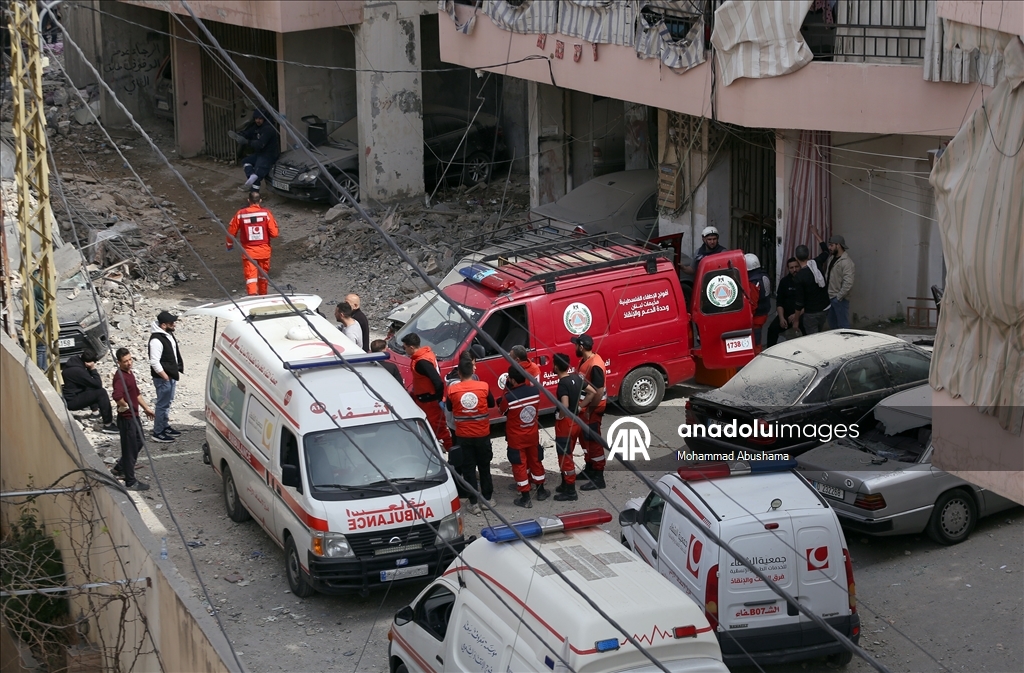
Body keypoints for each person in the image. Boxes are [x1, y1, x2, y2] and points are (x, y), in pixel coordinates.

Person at [446, 359, 496, 515]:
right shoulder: (484, 386)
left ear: (459, 373)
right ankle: (487, 499)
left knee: (468, 469)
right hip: (482, 434)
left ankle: (473, 502)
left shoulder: (453, 391)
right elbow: (492, 404)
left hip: (463, 435)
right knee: (484, 466)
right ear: (473, 371)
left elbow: (449, 407)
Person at [500, 365, 548, 508]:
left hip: (516, 438)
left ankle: (525, 498)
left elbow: (501, 411)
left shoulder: (508, 398)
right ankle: (541, 491)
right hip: (532, 435)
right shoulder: (535, 391)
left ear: (512, 380)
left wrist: (506, 391)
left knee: (520, 466)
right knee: (536, 461)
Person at [111, 347, 155, 491]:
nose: (129, 363)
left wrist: (146, 408)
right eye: (125, 361)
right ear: (119, 362)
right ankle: (130, 480)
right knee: (130, 449)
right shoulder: (120, 377)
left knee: (139, 441)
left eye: (130, 360)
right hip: (127, 419)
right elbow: (117, 396)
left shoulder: (129, 374)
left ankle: (120, 467)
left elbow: (136, 394)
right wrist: (125, 406)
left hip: (134, 417)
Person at [401, 333, 453, 452]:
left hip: (429, 401)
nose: (404, 350)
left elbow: (437, 381)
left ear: (411, 347)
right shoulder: (426, 355)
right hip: (424, 399)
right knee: (427, 427)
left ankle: (453, 455)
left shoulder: (421, 362)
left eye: (405, 347)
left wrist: (438, 399)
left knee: (439, 429)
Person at [572, 334, 608, 491]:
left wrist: (590, 410)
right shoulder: (586, 360)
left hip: (593, 408)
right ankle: (590, 468)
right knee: (585, 439)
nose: (574, 348)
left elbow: (599, 391)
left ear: (581, 347)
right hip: (586, 408)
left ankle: (598, 476)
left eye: (575, 345)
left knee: (593, 442)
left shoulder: (595, 365)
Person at [227, 190, 280, 296]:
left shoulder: (240, 214)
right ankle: (263, 297)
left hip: (249, 252)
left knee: (251, 278)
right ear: (260, 200)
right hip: (264, 251)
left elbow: (231, 232)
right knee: (263, 276)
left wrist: (229, 245)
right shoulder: (266, 213)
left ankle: (252, 298)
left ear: (248, 200)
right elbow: (274, 234)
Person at [552, 353, 587, 502]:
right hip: (576, 420)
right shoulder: (577, 378)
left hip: (565, 424)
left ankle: (570, 491)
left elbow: (564, 404)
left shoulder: (562, 384)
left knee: (565, 456)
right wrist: (580, 407)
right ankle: (565, 484)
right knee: (568, 453)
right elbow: (591, 392)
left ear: (556, 367)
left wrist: (560, 415)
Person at [62, 348, 119, 434]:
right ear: (88, 362)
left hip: (71, 396)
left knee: (90, 386)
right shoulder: (79, 371)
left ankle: (95, 413)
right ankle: (108, 425)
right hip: (72, 401)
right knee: (101, 392)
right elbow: (98, 384)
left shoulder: (74, 363)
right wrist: (92, 369)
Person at [149, 310, 183, 443]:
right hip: (164, 378)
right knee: (162, 405)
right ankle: (158, 432)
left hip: (170, 376)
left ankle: (164, 426)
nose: (174, 324)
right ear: (163, 325)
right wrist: (165, 377)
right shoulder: (156, 340)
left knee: (167, 403)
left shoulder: (166, 335)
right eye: (171, 323)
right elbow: (154, 362)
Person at [236, 109, 279, 191]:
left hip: (268, 156)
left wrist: (246, 142)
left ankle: (254, 197)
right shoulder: (256, 126)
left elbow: (260, 144)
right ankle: (251, 177)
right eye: (256, 118)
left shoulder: (268, 129)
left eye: (260, 118)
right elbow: (249, 132)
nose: (257, 120)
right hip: (259, 154)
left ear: (264, 118)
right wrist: (240, 135)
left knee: (257, 178)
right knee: (246, 161)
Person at [793, 244, 831, 335]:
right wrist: (816, 234)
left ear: (796, 258)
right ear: (808, 255)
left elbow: (799, 302)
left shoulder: (799, 277)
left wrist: (796, 320)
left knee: (813, 338)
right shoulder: (817, 263)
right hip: (825, 308)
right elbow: (826, 251)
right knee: (819, 332)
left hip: (811, 313)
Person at [766, 258, 803, 347]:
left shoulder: (804, 279)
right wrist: (781, 318)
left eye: (796, 267)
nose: (794, 270)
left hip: (801, 314)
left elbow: (809, 303)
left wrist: (796, 316)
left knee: (808, 332)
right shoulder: (784, 282)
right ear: (788, 269)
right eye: (791, 268)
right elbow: (779, 302)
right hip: (786, 314)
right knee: (772, 329)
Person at [826, 235, 855, 329]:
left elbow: (848, 283)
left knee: (843, 327)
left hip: (840, 300)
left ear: (838, 245)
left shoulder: (846, 262)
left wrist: (838, 297)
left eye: (831, 245)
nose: (829, 247)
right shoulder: (831, 259)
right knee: (833, 327)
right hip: (830, 298)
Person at [745, 253, 772, 347]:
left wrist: (746, 318)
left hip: (757, 317)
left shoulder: (753, 282)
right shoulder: (763, 276)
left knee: (755, 342)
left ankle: (756, 357)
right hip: (763, 313)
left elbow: (753, 303)